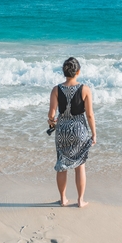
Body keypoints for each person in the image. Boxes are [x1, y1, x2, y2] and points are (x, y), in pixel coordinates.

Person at [48, 57, 96, 208]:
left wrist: (51, 122)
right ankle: (80, 200)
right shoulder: (85, 89)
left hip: (62, 129)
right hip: (79, 129)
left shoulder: (56, 89)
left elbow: (51, 114)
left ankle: (63, 199)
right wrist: (94, 133)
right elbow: (89, 114)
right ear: (78, 71)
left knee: (62, 164)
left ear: (64, 72)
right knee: (80, 164)